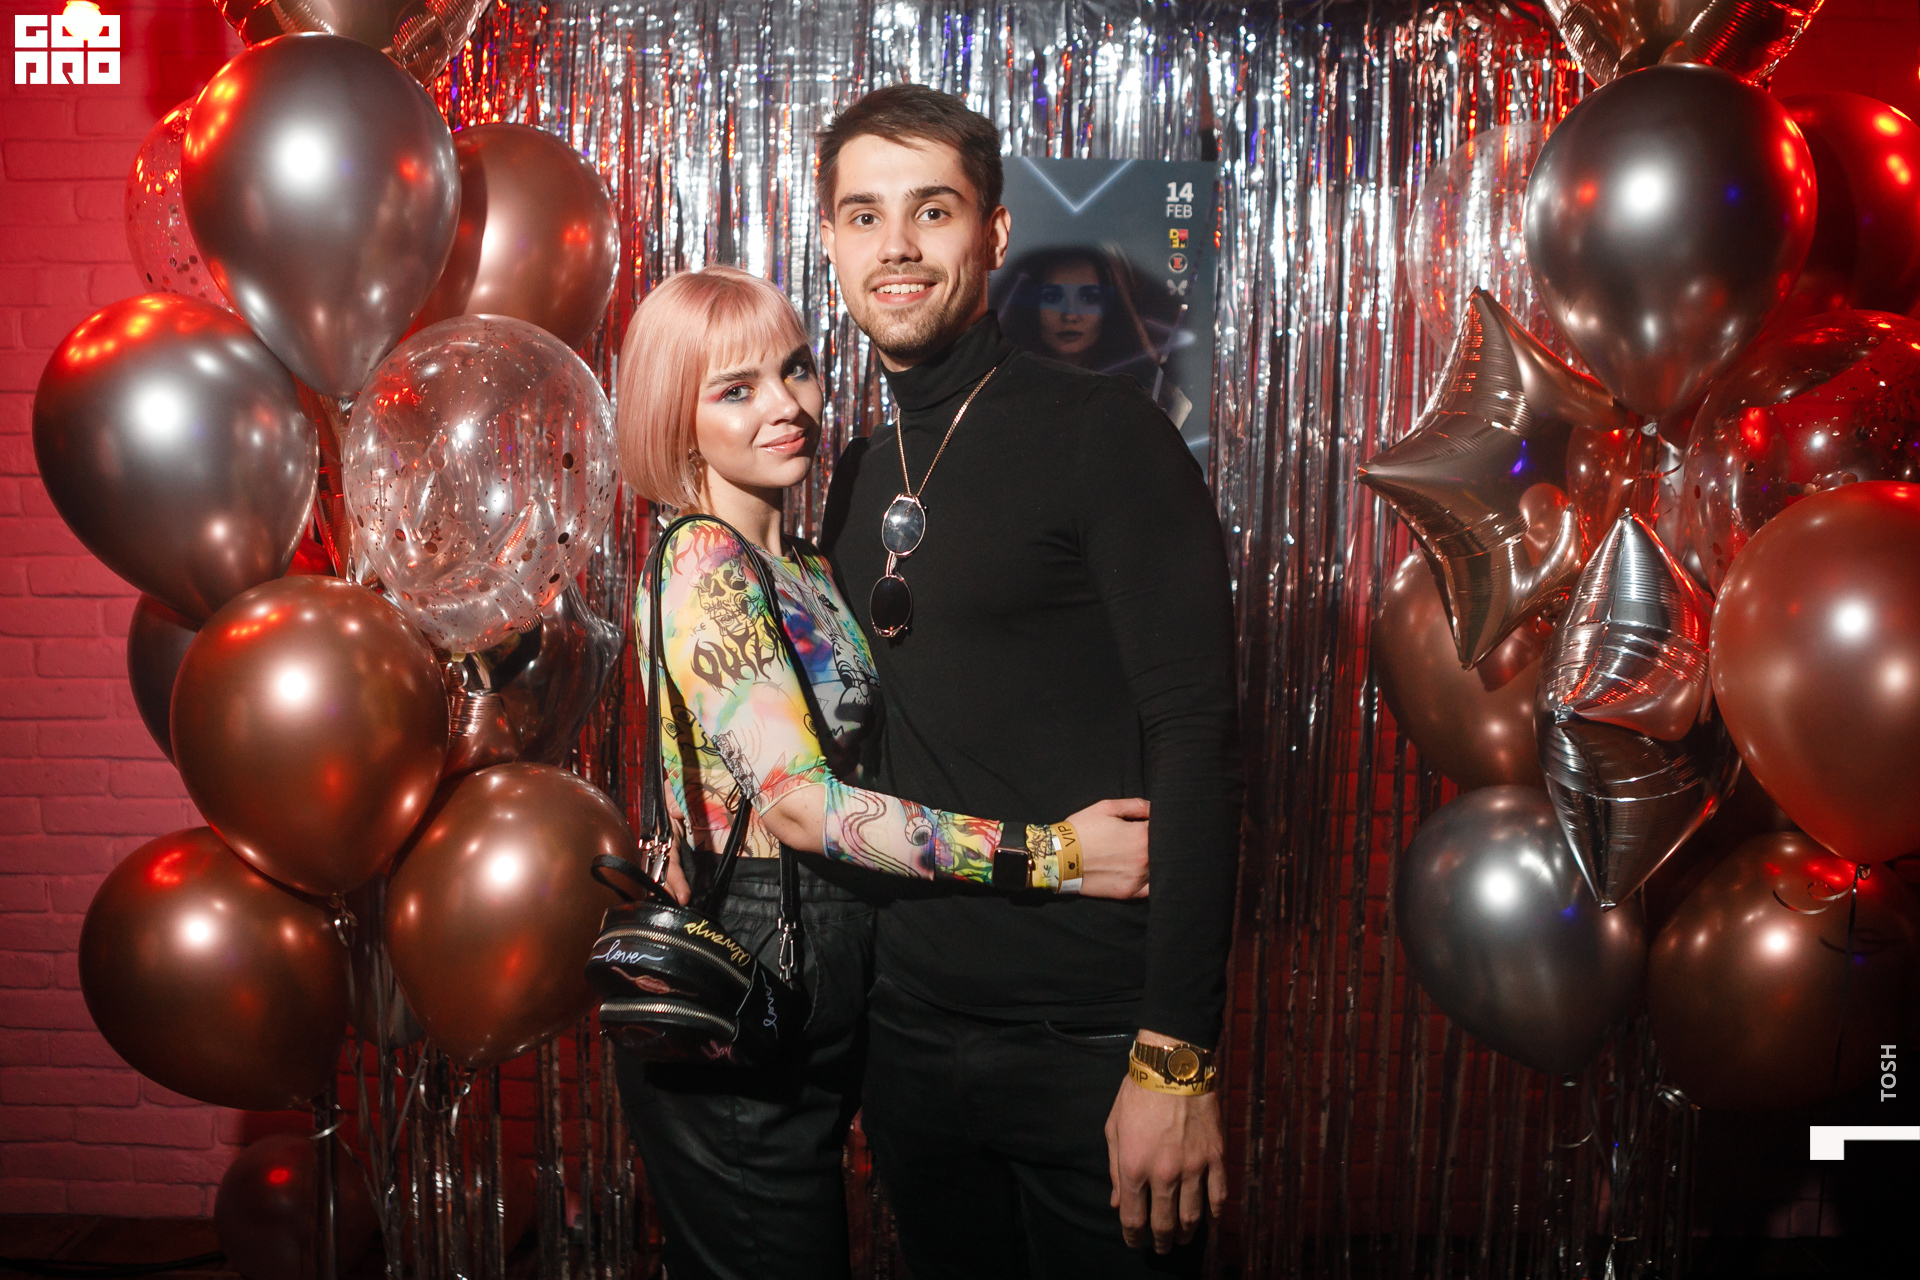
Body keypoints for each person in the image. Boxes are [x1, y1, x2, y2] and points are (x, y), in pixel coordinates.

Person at [608, 264, 1154, 1280]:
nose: (786, 405)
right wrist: (1056, 854)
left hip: (828, 960)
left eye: (795, 369)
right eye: (736, 389)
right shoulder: (702, 563)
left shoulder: (807, 563)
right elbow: (805, 809)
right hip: (749, 974)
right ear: (676, 421)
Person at [816, 85, 1242, 1277]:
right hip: (908, 1037)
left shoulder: (1105, 435)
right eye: (863, 215)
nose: (897, 246)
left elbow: (1198, 735)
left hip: (1092, 1042)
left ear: (993, 232)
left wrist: (1175, 1055)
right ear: (832, 242)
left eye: (932, 209)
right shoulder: (852, 472)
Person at [999, 245, 1163, 389]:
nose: (1070, 315)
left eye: (1089, 298)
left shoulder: (1152, 397)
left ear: (1111, 308)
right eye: (1053, 297)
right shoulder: (1000, 386)